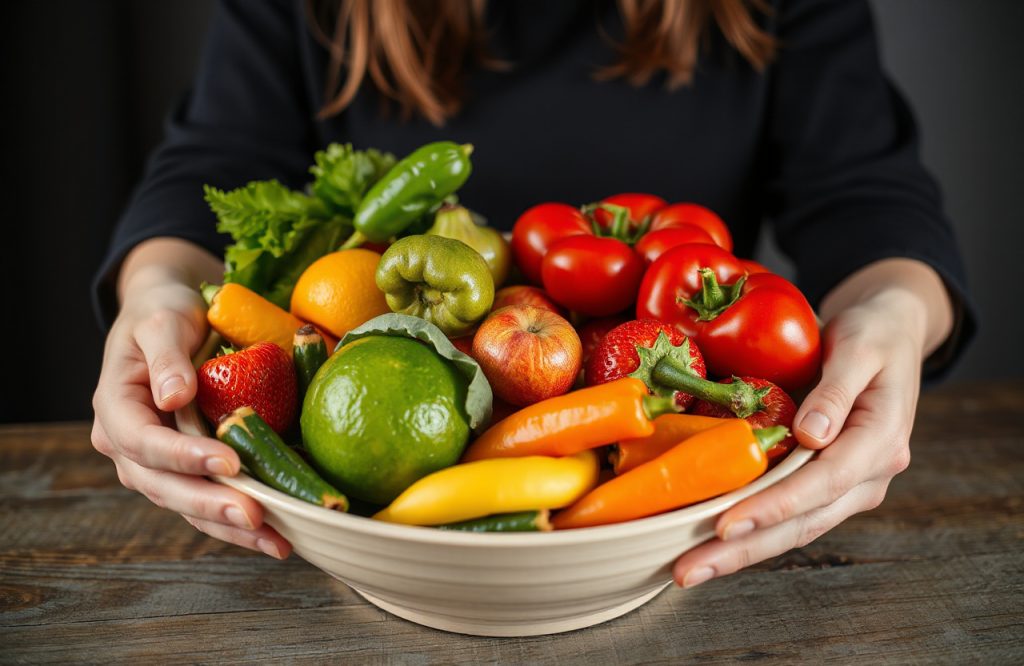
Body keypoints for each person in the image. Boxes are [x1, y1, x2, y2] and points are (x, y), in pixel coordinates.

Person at [91, 0, 972, 587]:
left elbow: (869, 196)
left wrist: (890, 314)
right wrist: (160, 289)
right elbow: (209, 167)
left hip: (678, 440)